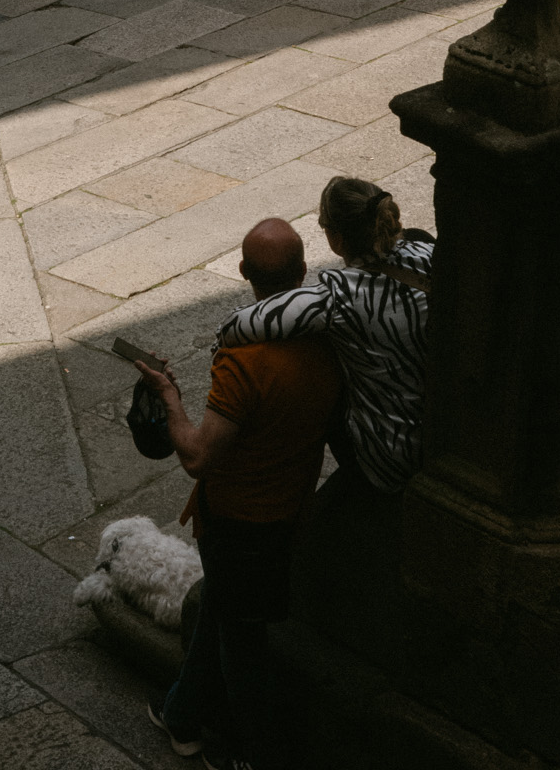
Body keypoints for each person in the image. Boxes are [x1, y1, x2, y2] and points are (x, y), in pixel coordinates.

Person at [139, 217, 341, 770]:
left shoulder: (243, 362)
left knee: (241, 643)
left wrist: (169, 398)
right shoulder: (329, 339)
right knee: (222, 612)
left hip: (238, 524)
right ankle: (181, 714)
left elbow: (198, 457)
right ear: (303, 269)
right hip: (291, 509)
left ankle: (249, 753)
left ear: (244, 272)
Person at [216, 176, 432, 495]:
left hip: (392, 462)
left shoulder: (338, 297)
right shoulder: (427, 249)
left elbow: (235, 326)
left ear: (336, 239)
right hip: (444, 435)